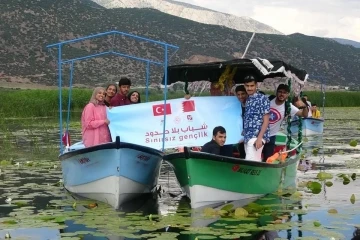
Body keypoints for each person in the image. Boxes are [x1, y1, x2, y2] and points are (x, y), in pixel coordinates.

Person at [262, 84, 309, 162]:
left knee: (267, 159)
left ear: (288, 94)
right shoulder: (268, 100)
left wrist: (304, 106)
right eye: (280, 92)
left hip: (271, 136)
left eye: (284, 92)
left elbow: (304, 114)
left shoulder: (288, 106)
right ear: (276, 92)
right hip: (259, 133)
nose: (282, 94)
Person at [243, 75, 270, 162]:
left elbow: (266, 121)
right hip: (247, 136)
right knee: (255, 161)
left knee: (249, 162)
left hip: (257, 137)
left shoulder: (263, 99)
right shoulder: (248, 100)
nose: (249, 88)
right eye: (247, 86)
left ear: (256, 85)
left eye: (252, 86)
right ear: (244, 86)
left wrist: (259, 138)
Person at [235, 85, 247, 159]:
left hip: (249, 136)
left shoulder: (251, 106)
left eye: (242, 94)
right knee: (242, 154)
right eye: (238, 94)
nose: (240, 96)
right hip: (240, 135)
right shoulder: (236, 106)